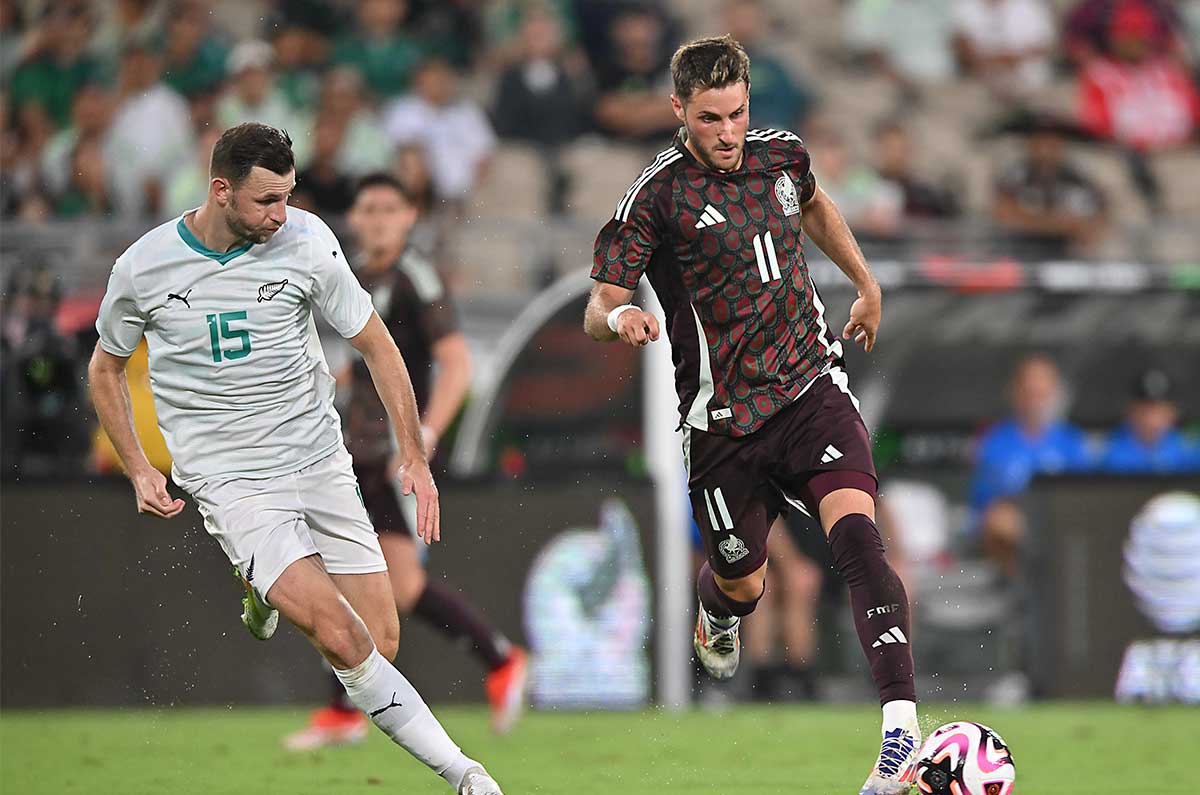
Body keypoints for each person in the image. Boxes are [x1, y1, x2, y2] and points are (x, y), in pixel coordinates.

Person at [88, 122, 503, 795]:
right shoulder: (144, 266)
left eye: (287, 197)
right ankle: (467, 775)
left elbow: (378, 345)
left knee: (379, 638)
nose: (281, 215)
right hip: (229, 478)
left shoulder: (307, 241)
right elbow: (104, 370)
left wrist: (415, 456)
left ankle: (262, 589)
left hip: (317, 458)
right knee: (341, 636)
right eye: (265, 202)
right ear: (220, 190)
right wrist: (138, 464)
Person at [583, 36, 920, 794]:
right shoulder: (655, 197)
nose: (728, 132)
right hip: (722, 425)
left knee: (860, 536)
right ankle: (719, 610)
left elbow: (816, 208)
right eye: (710, 118)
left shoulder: (782, 155)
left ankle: (900, 727)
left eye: (737, 113)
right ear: (678, 111)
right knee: (743, 581)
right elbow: (597, 304)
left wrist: (864, 282)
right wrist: (620, 322)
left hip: (810, 387)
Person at [284, 172, 528, 751]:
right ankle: (490, 663)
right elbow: (356, 367)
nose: (376, 219)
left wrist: (428, 433)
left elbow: (457, 364)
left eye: (388, 208)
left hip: (392, 455)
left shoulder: (415, 278)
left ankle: (496, 660)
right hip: (353, 452)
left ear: (410, 216)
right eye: (366, 208)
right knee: (370, 581)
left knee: (381, 583)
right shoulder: (357, 277)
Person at [970, 354, 1094, 577]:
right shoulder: (995, 442)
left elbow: (1085, 499)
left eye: (1043, 394)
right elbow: (988, 508)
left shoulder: (1072, 442)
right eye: (1031, 393)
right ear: (1015, 393)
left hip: (1063, 527)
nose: (1037, 401)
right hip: (1014, 537)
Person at [1101, 368, 1200, 474]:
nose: (1152, 419)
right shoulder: (1111, 451)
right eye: (1145, 410)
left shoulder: (1188, 449)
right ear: (1130, 410)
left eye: (1159, 410)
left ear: (1173, 412)